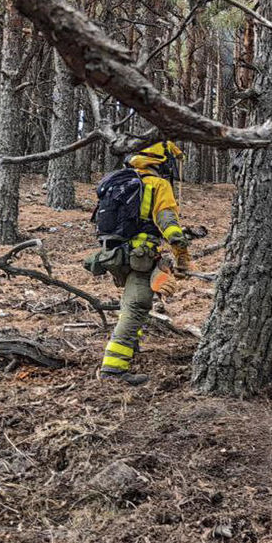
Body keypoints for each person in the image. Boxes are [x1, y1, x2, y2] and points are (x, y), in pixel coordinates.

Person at [85, 141, 192, 385]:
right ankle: (114, 369)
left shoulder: (120, 181)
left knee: (129, 304)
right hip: (140, 257)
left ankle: (130, 349)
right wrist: (182, 255)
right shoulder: (157, 184)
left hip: (114, 255)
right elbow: (170, 226)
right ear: (161, 163)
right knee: (136, 306)